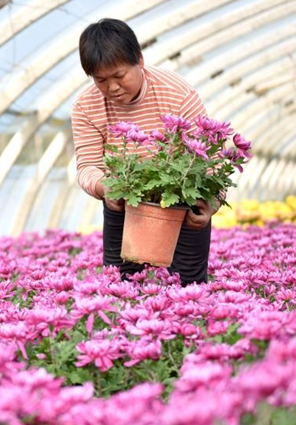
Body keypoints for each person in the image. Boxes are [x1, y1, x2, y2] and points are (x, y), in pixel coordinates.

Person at [72, 18, 220, 285]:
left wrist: (214, 201)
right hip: (122, 203)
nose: (112, 88)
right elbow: (87, 166)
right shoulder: (85, 107)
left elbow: (207, 159)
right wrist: (106, 187)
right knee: (120, 286)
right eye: (101, 80)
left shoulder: (178, 94)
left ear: (139, 59)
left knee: (189, 287)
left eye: (119, 76)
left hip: (182, 204)